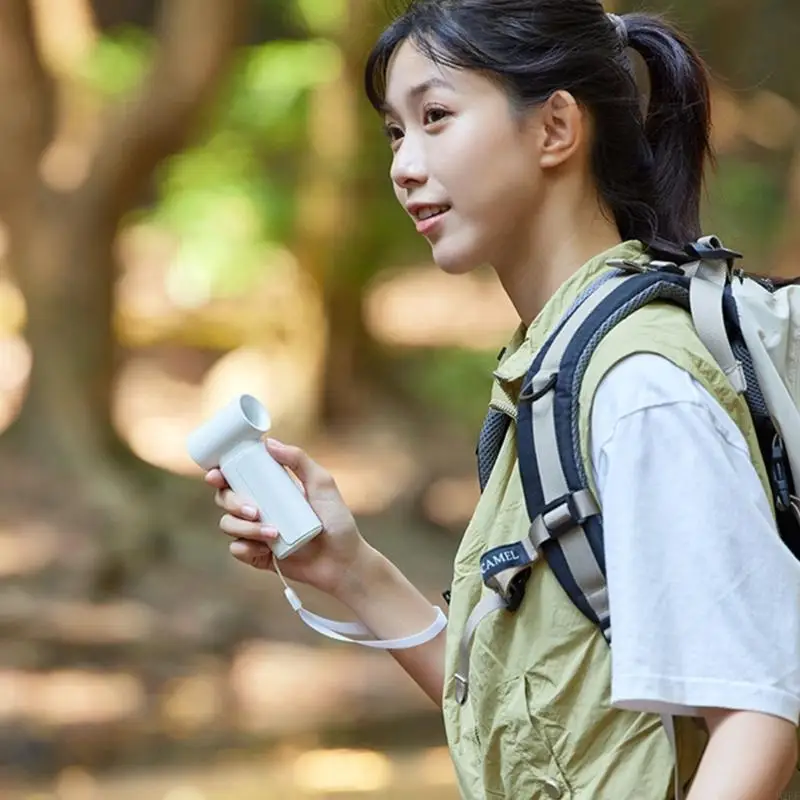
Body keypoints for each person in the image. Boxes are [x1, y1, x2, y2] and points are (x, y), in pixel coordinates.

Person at [204, 1, 800, 797]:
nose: (403, 165)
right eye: (393, 131)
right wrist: (348, 569)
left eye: (436, 116)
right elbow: (535, 734)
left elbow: (758, 716)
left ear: (555, 128)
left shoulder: (638, 388)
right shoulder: (551, 373)